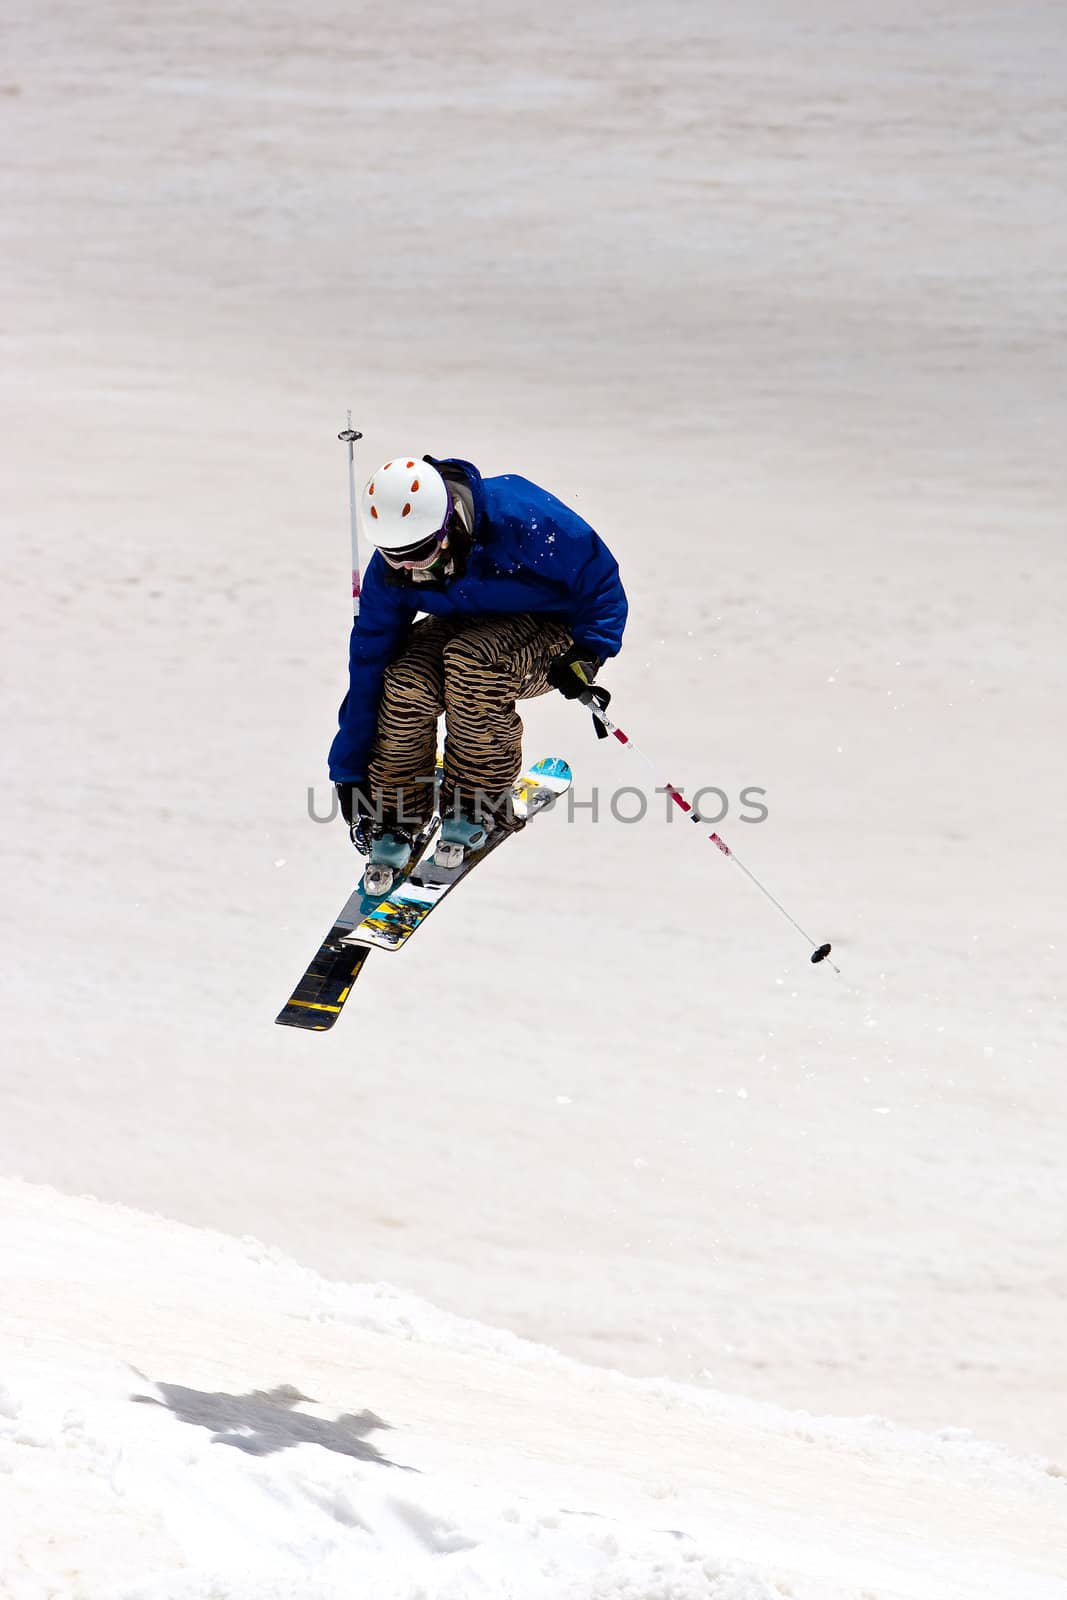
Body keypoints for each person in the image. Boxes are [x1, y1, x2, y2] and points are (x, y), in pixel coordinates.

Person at [329, 453, 627, 892]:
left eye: (418, 554)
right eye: (395, 559)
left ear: (446, 527)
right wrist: (350, 768)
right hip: (461, 622)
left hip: (550, 631)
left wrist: (589, 653)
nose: (409, 569)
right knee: (407, 677)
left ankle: (476, 804)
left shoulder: (521, 518)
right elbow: (369, 660)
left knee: (473, 662)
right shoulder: (394, 572)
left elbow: (601, 583)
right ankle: (395, 817)